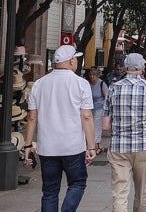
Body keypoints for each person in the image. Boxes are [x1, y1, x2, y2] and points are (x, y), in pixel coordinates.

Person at [24, 45, 96, 212]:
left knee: (49, 191)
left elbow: (32, 117)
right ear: (71, 61)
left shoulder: (39, 84)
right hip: (73, 146)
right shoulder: (81, 84)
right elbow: (86, 116)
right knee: (77, 183)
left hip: (47, 147)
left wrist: (28, 145)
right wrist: (91, 146)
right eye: (76, 59)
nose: (77, 61)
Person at [103, 52, 146, 212]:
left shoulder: (113, 88)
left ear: (126, 67)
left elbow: (106, 125)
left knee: (120, 193)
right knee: (142, 192)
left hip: (119, 147)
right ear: (142, 68)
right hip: (143, 146)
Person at [84, 68, 108, 154]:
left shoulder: (102, 84)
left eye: (93, 75)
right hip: (90, 108)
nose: (91, 76)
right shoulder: (89, 84)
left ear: (97, 75)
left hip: (100, 107)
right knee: (90, 126)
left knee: (96, 127)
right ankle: (99, 145)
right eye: (90, 75)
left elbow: (106, 97)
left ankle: (95, 145)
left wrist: (107, 110)